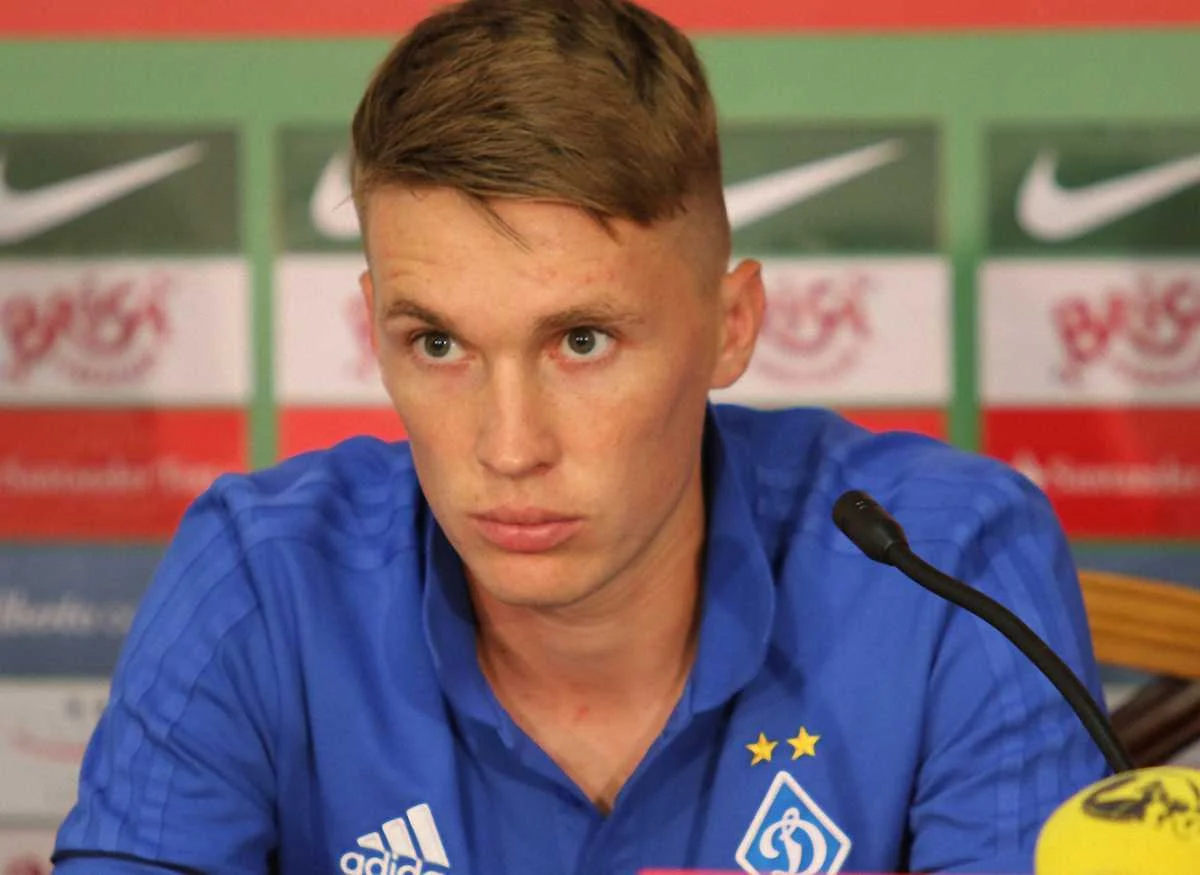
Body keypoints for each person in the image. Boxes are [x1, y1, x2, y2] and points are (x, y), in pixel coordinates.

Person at [51, 1, 1108, 872]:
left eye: (583, 341)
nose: (509, 448)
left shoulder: (950, 564)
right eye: (437, 344)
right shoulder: (260, 579)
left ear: (731, 326)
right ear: (375, 325)